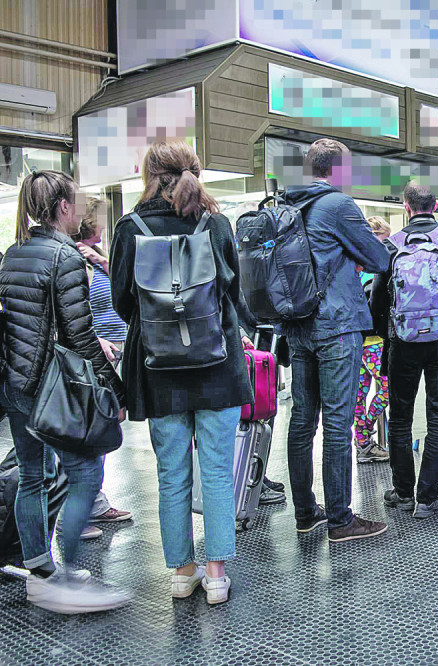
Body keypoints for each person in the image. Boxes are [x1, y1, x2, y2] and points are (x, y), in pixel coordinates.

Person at [110, 141, 253, 605]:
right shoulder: (215, 224)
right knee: (215, 469)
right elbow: (232, 290)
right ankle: (216, 574)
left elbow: (123, 302)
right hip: (217, 363)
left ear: (149, 175)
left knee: (171, 473)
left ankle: (181, 572)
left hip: (158, 368)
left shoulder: (129, 228)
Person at [1, 170, 131, 613]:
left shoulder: (14, 251)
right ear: (61, 208)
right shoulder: (66, 257)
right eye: (75, 202)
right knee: (86, 475)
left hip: (15, 386)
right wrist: (116, 391)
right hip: (51, 390)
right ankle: (69, 573)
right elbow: (79, 336)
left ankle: (40, 569)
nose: (79, 210)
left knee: (33, 477)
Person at [278, 139, 391, 541]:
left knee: (302, 421)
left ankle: (306, 512)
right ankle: (342, 519)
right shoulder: (338, 205)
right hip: (337, 325)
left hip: (298, 325)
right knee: (339, 423)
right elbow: (379, 260)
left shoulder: (286, 204)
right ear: (338, 170)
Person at [371, 181, 438, 519]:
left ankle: (402, 492)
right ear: (435, 205)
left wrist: (388, 334)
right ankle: (428, 495)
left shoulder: (391, 245)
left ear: (406, 207)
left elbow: (377, 301)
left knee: (400, 416)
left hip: (402, 344)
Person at [69, 198, 133, 538]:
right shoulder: (73, 259)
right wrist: (96, 340)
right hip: (94, 355)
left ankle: (93, 501)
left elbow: (122, 287)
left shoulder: (96, 258)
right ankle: (81, 507)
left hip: (113, 350)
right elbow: (73, 315)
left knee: (103, 429)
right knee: (91, 431)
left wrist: (104, 261)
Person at [353, 216, 393, 464]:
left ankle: (363, 444)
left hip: (357, 340)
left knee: (360, 394)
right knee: (388, 389)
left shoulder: (353, 266)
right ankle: (365, 433)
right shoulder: (375, 269)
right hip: (376, 341)